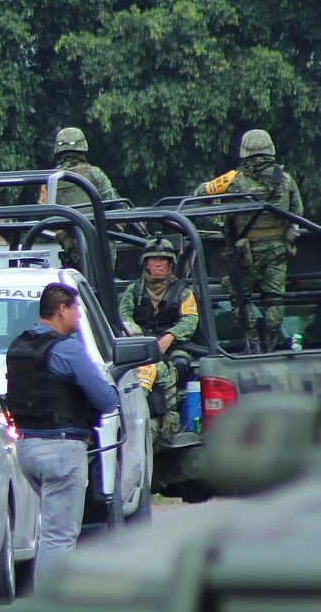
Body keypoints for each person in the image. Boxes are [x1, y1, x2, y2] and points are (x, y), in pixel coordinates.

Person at [5, 283, 118, 574]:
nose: (79, 317)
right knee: (59, 537)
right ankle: (53, 611)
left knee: (49, 532)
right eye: (77, 310)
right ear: (62, 310)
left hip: (27, 448)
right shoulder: (67, 349)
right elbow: (105, 400)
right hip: (61, 449)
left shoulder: (20, 345)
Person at [194, 129, 304, 352]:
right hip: (277, 250)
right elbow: (297, 212)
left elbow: (200, 194)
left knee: (242, 298)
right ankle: (271, 344)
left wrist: (218, 219)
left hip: (245, 253)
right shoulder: (285, 179)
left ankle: (252, 344)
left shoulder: (234, 180)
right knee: (274, 298)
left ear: (245, 152)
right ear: (270, 149)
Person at [118, 238, 199, 445]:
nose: (158, 264)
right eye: (154, 259)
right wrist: (140, 341)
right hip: (142, 347)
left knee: (180, 365)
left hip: (172, 345)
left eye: (163, 260)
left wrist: (169, 337)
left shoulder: (182, 291)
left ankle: (171, 417)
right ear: (146, 263)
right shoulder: (133, 291)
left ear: (170, 264)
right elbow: (124, 319)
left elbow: (190, 320)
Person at [41, 127, 121, 273]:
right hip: (99, 246)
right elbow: (114, 206)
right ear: (82, 148)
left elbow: (44, 214)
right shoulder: (94, 174)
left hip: (70, 247)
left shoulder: (49, 179)